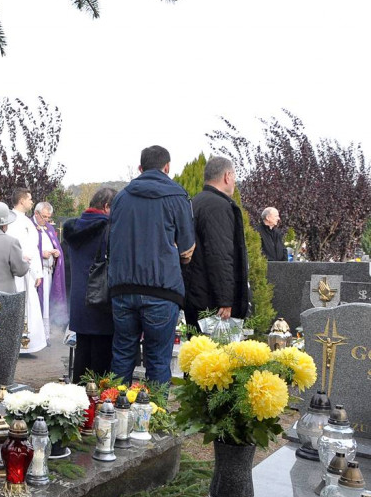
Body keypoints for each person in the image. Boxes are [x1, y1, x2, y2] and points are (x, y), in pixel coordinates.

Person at [108, 145, 195, 385]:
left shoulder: (121, 197)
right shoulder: (177, 196)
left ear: (140, 168)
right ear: (167, 167)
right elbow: (188, 248)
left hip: (123, 289)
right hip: (162, 290)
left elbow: (110, 241)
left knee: (122, 356)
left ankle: (113, 414)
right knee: (157, 361)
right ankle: (155, 419)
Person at [182, 157, 251, 332]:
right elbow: (219, 254)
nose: (234, 181)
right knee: (216, 358)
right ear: (227, 176)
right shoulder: (218, 206)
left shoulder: (195, 202)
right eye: (234, 176)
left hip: (195, 294)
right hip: (212, 302)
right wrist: (225, 300)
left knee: (197, 354)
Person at [63, 187, 118, 382]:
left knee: (82, 353)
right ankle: (98, 406)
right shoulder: (108, 229)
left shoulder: (72, 228)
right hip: (101, 299)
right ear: (106, 207)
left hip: (78, 299)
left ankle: (79, 403)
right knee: (101, 361)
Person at [8, 188, 47, 353]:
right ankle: (14, 344)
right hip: (15, 271)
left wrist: (37, 272)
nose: (32, 202)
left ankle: (28, 343)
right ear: (22, 200)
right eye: (29, 199)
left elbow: (33, 247)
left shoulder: (28, 221)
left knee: (29, 305)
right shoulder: (10, 219)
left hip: (29, 270)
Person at [32, 201, 68, 331]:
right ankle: (36, 331)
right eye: (44, 216)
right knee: (37, 303)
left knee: (47, 303)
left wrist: (57, 252)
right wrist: (41, 254)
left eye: (49, 217)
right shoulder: (30, 226)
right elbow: (27, 249)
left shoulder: (49, 228)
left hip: (48, 272)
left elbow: (55, 245)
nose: (46, 220)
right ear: (36, 213)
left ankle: (45, 332)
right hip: (36, 273)